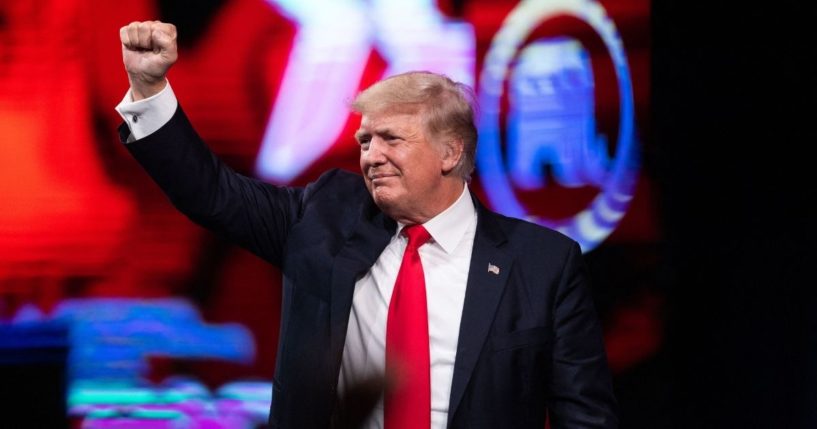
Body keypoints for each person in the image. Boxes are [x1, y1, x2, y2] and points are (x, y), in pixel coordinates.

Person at [116, 21, 617, 429]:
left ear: (451, 152)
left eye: (391, 140)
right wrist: (149, 88)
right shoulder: (323, 219)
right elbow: (211, 193)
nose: (371, 157)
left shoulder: (541, 263)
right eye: (363, 141)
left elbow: (584, 414)